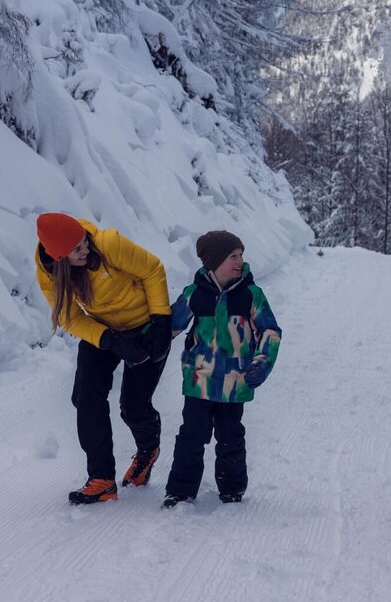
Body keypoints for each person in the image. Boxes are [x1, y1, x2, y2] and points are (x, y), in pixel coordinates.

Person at [35, 212, 172, 505]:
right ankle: (102, 479)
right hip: (104, 330)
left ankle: (148, 450)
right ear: (59, 259)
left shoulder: (107, 244)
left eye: (84, 243)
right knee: (86, 395)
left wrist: (161, 322)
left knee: (134, 406)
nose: (86, 250)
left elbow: (153, 270)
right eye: (77, 250)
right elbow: (69, 317)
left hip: (146, 325)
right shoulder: (48, 274)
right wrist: (109, 340)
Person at [161, 231, 282, 509]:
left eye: (241, 255)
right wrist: (142, 347)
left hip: (235, 381)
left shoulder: (251, 295)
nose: (240, 261)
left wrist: (261, 364)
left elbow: (270, 331)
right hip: (198, 379)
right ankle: (179, 490)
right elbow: (170, 326)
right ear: (214, 261)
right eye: (233, 256)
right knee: (191, 435)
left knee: (231, 436)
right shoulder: (195, 295)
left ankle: (232, 489)